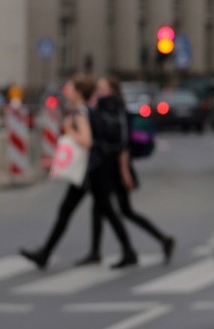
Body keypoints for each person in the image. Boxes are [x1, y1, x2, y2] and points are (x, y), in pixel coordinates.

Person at [19, 73, 138, 270]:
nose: (66, 91)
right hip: (91, 171)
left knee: (99, 211)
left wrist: (69, 130)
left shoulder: (81, 113)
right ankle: (45, 253)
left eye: (70, 88)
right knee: (75, 211)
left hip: (91, 172)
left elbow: (87, 141)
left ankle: (128, 251)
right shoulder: (87, 110)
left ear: (78, 92)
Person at [77, 75, 175, 265]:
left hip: (115, 169)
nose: (99, 92)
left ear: (112, 91)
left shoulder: (116, 110)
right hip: (107, 168)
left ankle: (155, 242)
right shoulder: (105, 109)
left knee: (121, 210)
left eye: (102, 88)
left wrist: (124, 173)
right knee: (101, 209)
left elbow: (123, 145)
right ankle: (97, 252)